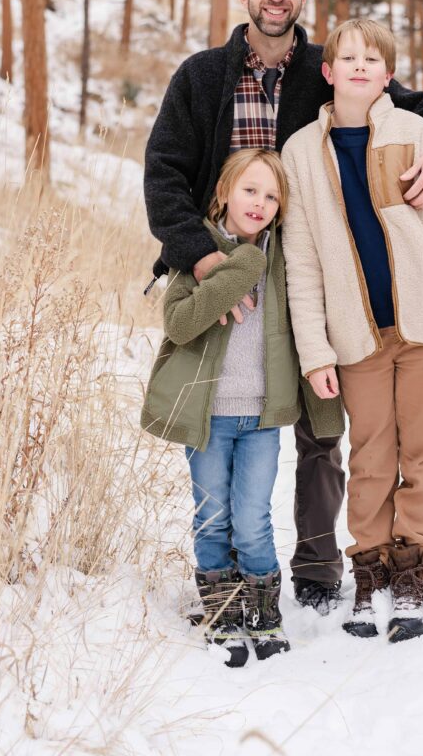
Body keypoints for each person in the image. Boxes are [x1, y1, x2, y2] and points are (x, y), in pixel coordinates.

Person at [144, 0, 423, 613]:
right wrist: (202, 258)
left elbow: (416, 109)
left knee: (321, 432)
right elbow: (163, 176)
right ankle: (228, 570)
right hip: (226, 273)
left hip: (314, 276)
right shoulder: (202, 76)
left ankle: (320, 569)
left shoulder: (326, 66)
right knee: (225, 418)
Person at [281, 18, 423, 642]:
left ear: (388, 75)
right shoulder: (300, 154)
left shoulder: (419, 134)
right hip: (355, 338)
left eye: (373, 58)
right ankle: (369, 570)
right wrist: (315, 350)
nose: (360, 66)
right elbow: (303, 262)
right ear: (327, 71)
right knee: (371, 457)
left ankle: (414, 569)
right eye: (348, 57)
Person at [140, 148, 344, 666]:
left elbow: (304, 318)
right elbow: (181, 325)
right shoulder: (196, 251)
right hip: (206, 417)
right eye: (250, 190)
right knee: (212, 518)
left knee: (252, 517)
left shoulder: (282, 260)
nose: (259, 203)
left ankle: (262, 610)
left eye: (272, 195)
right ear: (224, 192)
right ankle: (221, 609)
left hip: (259, 418)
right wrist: (237, 269)